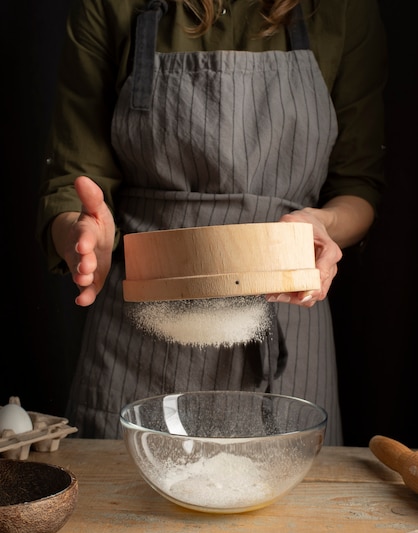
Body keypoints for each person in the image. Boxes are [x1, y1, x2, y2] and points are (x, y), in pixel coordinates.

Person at [37, 0, 387, 442]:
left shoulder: (344, 11)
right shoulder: (110, 6)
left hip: (287, 312)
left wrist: (320, 223)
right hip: (137, 335)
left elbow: (358, 186)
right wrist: (81, 234)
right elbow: (72, 180)